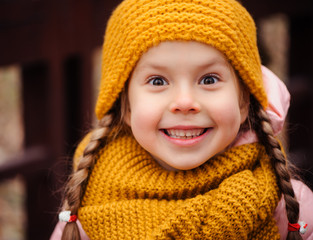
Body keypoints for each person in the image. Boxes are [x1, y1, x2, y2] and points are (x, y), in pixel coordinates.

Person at [51, 0, 313, 239]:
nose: (185, 102)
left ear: (244, 102)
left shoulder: (287, 206)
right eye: (157, 81)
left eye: (209, 79)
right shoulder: (89, 200)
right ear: (126, 106)